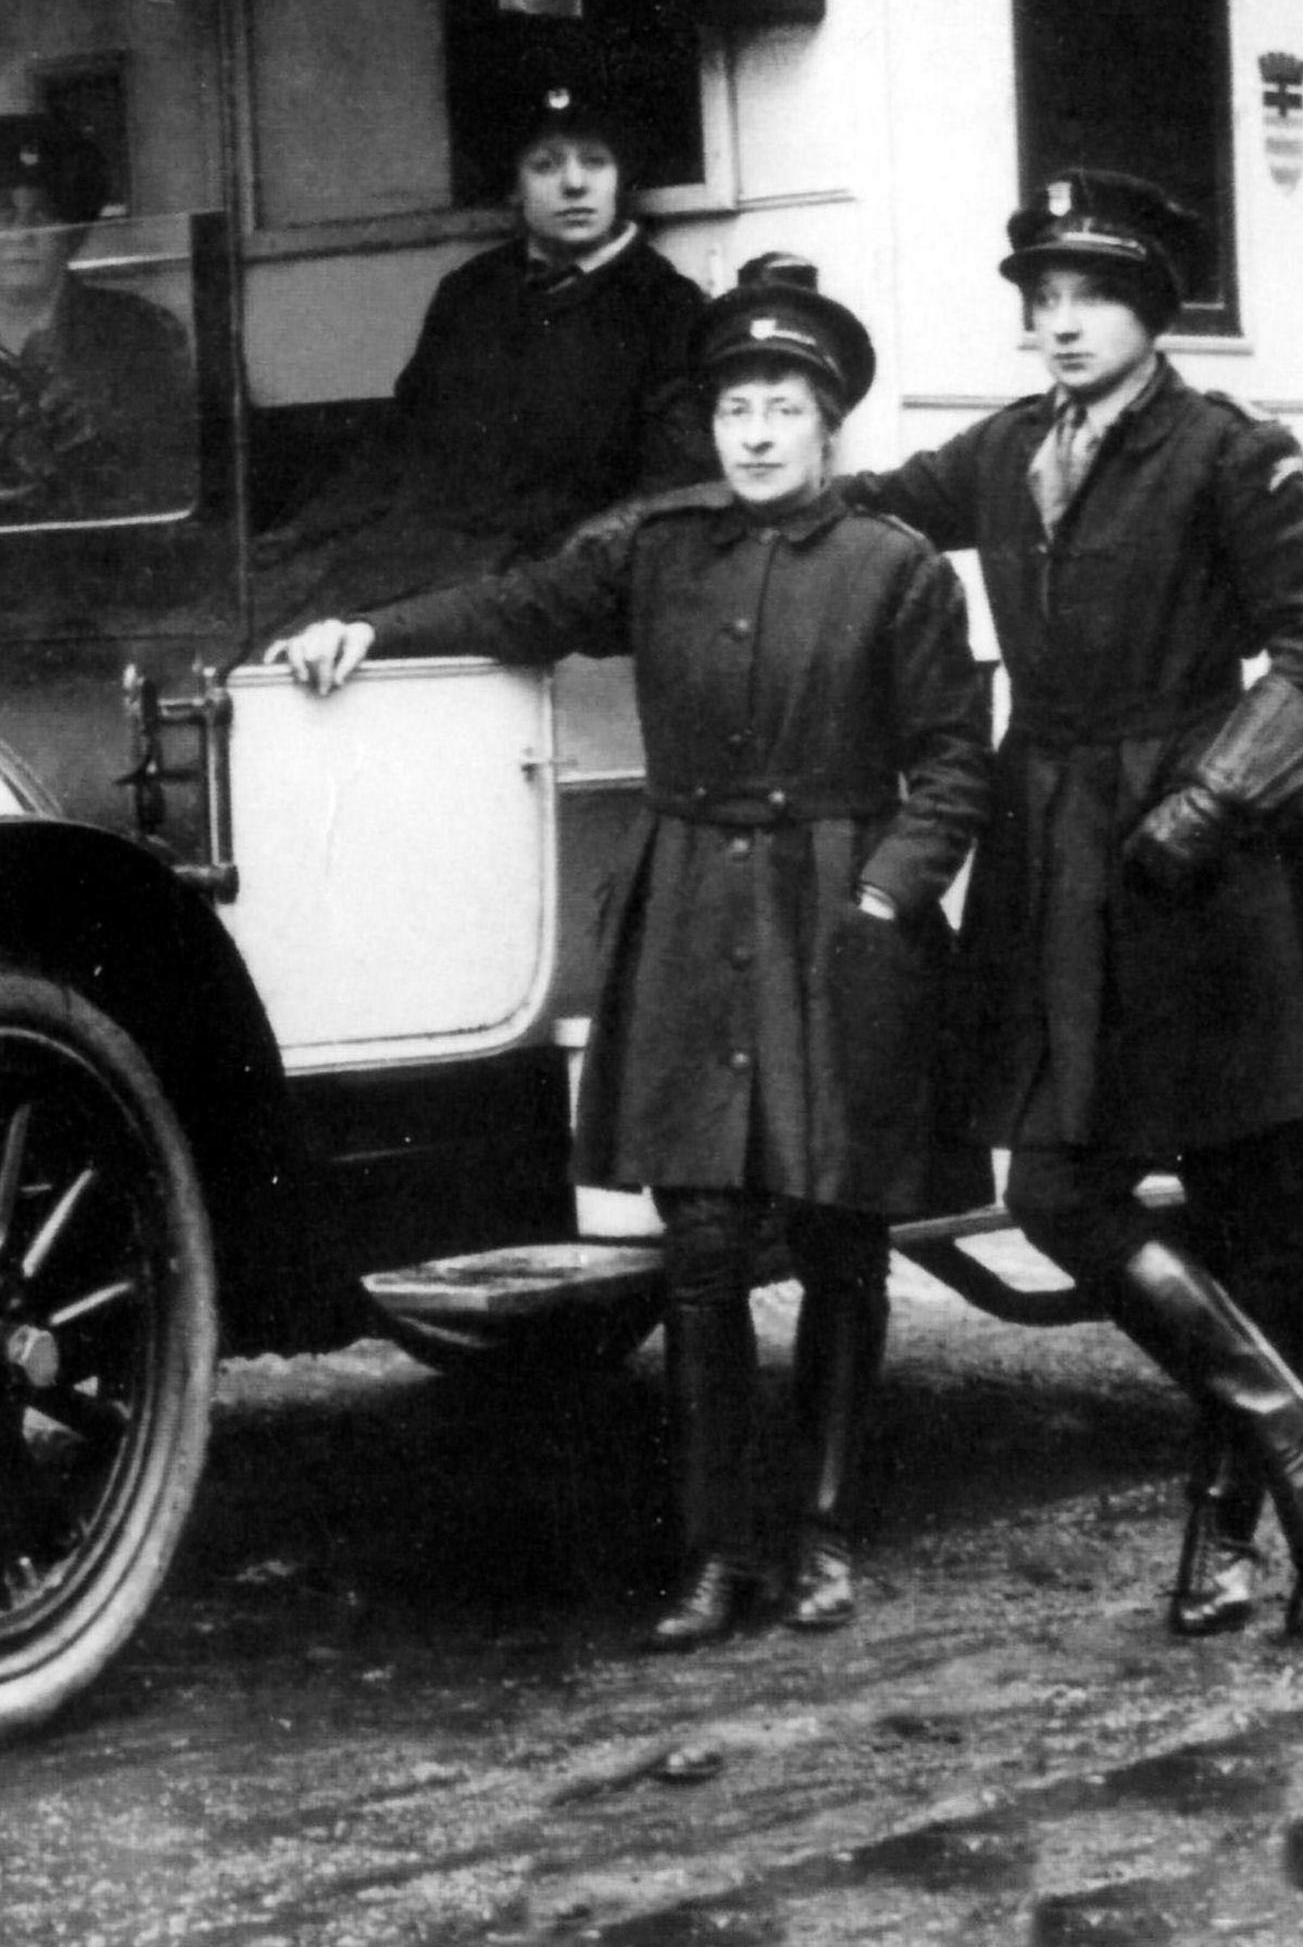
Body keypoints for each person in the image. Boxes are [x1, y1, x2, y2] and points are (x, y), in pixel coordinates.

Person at [271, 259, 991, 1646]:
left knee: (840, 1234)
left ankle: (827, 1533)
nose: (760, 432)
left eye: (785, 405)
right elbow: (519, 604)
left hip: (842, 914)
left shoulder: (893, 568)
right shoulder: (660, 547)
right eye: (737, 408)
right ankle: (721, 1550)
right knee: (705, 1243)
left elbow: (956, 764)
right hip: (698, 914)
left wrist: (894, 894)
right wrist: (374, 629)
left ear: (829, 419)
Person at [844, 170, 1303, 1639]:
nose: (1060, 323)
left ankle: (1227, 1537)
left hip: (1207, 855)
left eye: (1089, 295)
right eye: (1041, 299)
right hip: (1054, 843)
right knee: (1050, 1183)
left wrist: (1212, 801)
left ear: (1154, 307)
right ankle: (1302, 1434)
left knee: (1247, 1206)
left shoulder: (1229, 451)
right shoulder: (1004, 449)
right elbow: (861, 509)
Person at [253, 79, 712, 627]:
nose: (573, 184)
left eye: (595, 162)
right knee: (277, 617)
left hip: (549, 577)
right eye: (545, 166)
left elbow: (677, 478)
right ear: (514, 189)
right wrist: (301, 534)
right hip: (430, 549)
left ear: (621, 180)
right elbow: (404, 439)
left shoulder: (664, 304)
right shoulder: (471, 293)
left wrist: (577, 557)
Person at [0, 111, 197, 531]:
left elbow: (168, 489)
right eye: (2, 213)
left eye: (43, 215)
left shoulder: (139, 336)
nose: (23, 234)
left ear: (70, 234)